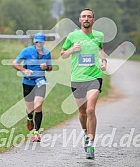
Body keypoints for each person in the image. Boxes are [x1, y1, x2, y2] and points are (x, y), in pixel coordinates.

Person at [61, 8, 107, 159]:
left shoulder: (99, 35)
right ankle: (86, 133)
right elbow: (63, 54)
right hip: (77, 78)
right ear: (80, 20)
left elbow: (100, 50)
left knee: (90, 110)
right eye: (84, 16)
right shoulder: (73, 36)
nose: (86, 19)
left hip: (94, 77)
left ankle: (91, 144)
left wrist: (103, 61)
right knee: (81, 113)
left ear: (93, 20)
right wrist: (72, 49)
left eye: (89, 16)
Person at [12, 33, 52, 142]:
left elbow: (50, 68)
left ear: (44, 42)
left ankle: (36, 132)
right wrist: (24, 70)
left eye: (41, 42)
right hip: (27, 82)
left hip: (40, 82)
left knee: (38, 105)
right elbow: (15, 63)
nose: (39, 44)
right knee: (30, 109)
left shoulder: (47, 53)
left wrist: (46, 67)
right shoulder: (27, 51)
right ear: (34, 42)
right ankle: (29, 117)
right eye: (37, 42)